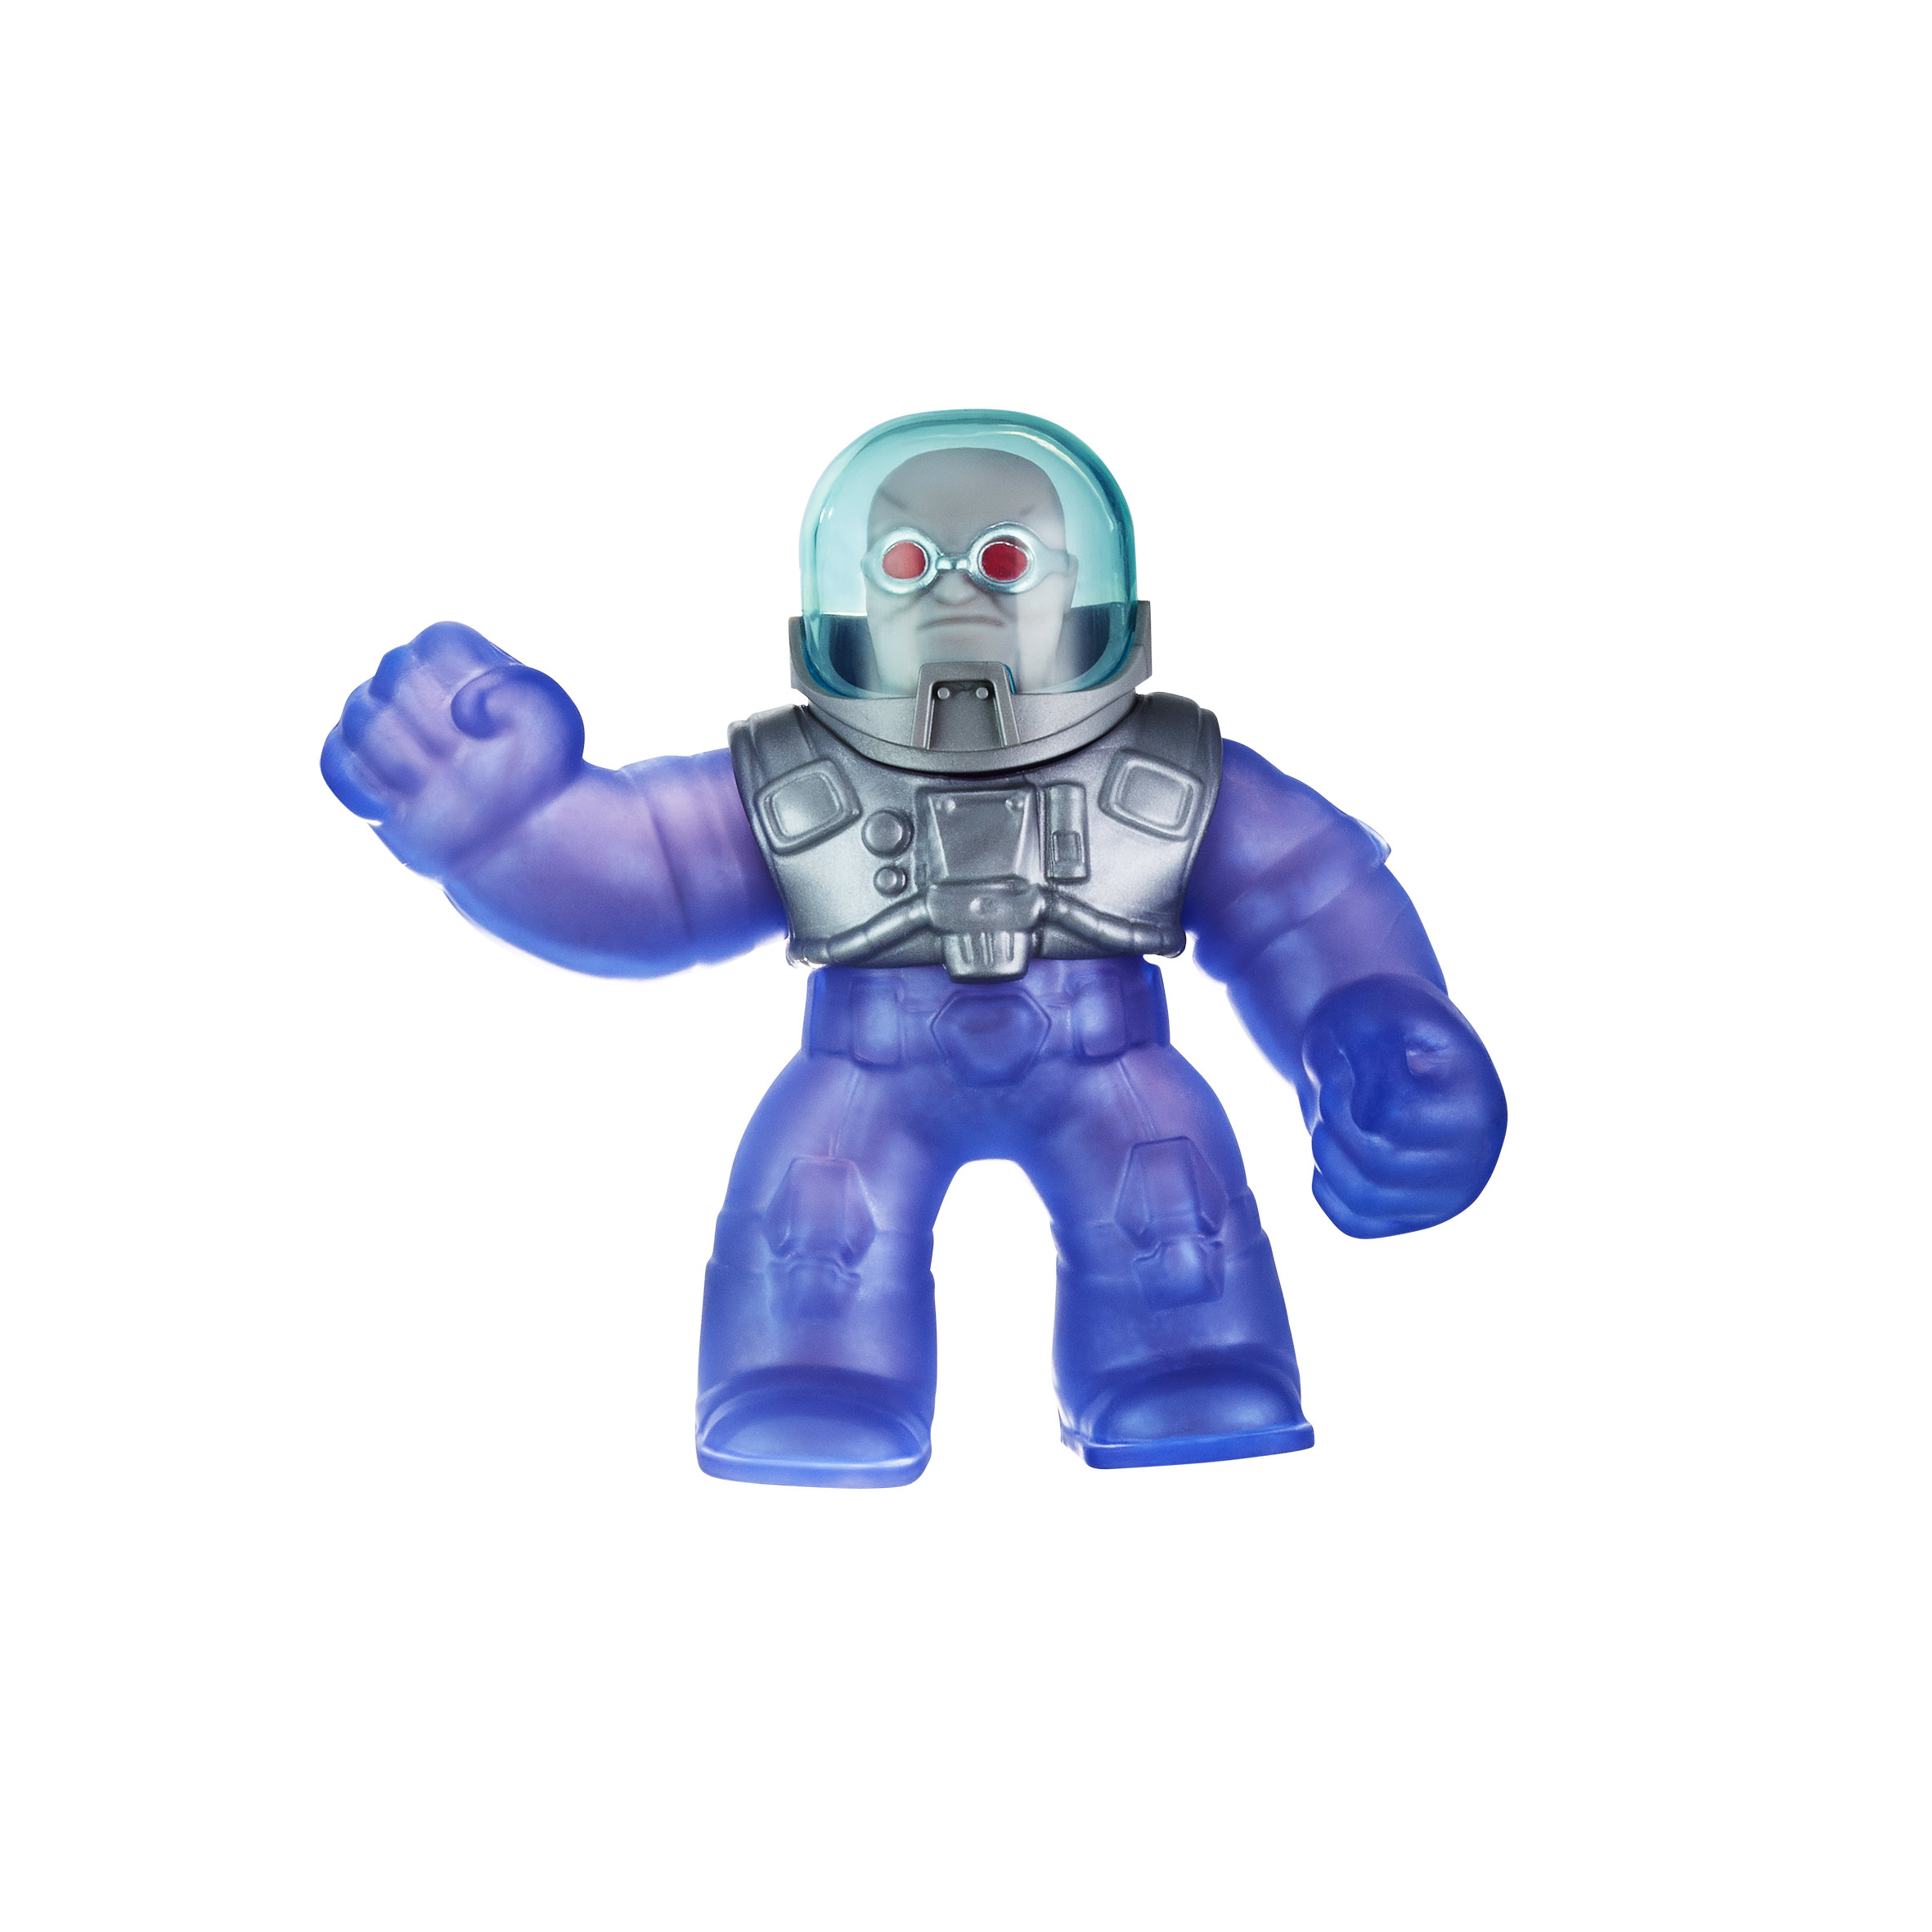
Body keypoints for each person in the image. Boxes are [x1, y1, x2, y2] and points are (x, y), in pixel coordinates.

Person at [321, 410, 1506, 1487]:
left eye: (1003, 560)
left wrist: (1382, 1034)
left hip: (1112, 1068)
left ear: (1081, 593)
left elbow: (1304, 902)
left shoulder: (1166, 768)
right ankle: (811, 1376)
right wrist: (500, 825)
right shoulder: (801, 773)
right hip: (866, 1072)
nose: (954, 587)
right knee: (816, 1234)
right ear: (849, 605)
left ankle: (1183, 1362)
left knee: (1171, 1223)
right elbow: (653, 873)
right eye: (904, 562)